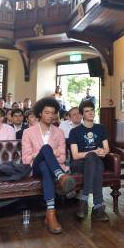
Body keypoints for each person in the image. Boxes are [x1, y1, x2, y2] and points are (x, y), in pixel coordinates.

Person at [21, 98, 75, 234]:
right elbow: (26, 159)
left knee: (46, 165)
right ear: (40, 113)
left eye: (53, 113)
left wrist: (46, 154)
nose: (50, 115)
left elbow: (63, 157)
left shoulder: (59, 132)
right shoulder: (28, 132)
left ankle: (50, 214)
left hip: (47, 168)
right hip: (35, 167)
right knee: (45, 149)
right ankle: (61, 176)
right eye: (47, 112)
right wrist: (47, 152)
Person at [69, 101, 110, 221]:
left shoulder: (101, 128)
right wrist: (92, 152)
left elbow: (106, 148)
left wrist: (103, 151)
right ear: (82, 114)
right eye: (87, 111)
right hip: (79, 163)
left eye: (92, 110)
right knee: (93, 158)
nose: (91, 112)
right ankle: (98, 206)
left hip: (96, 161)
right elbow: (75, 156)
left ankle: (84, 200)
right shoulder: (75, 131)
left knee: (95, 162)